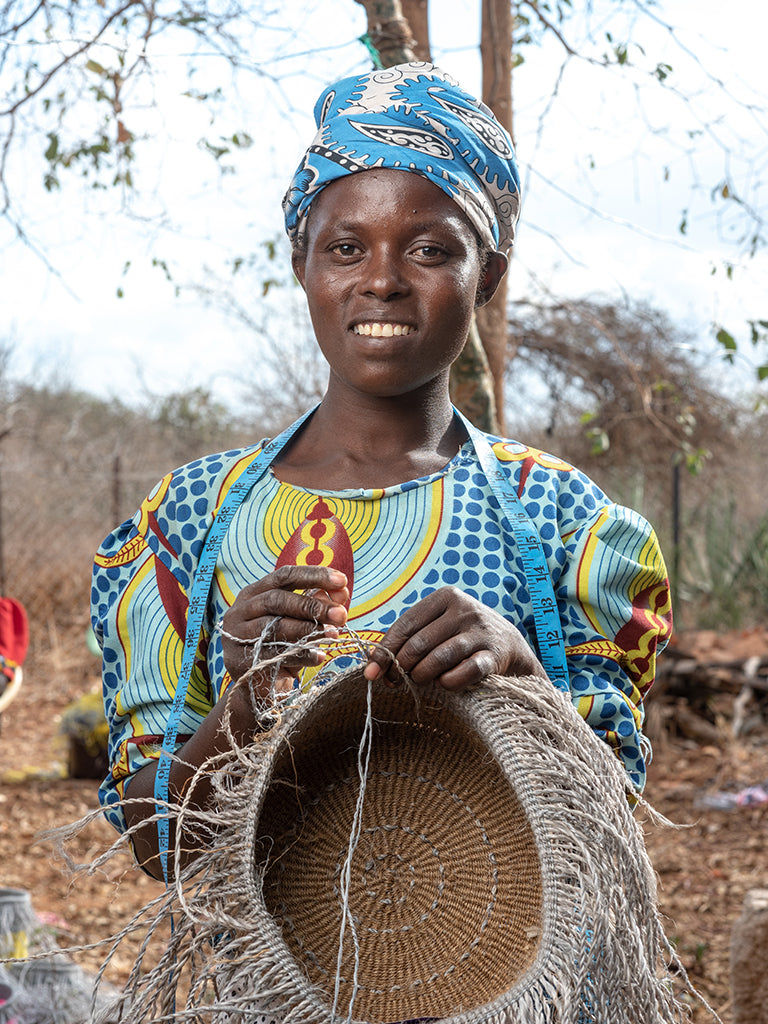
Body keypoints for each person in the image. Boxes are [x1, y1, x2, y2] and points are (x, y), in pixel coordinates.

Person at [91, 63, 672, 885]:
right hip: (268, 971)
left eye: (430, 250)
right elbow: (160, 848)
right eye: (346, 248)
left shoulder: (562, 520)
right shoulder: (188, 520)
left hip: (510, 968)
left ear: (487, 276)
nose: (383, 280)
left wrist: (525, 672)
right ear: (303, 264)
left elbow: (610, 840)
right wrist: (244, 699)